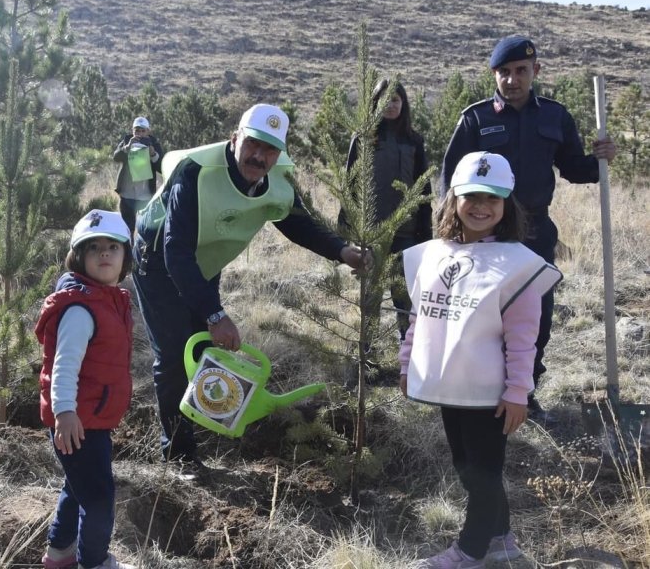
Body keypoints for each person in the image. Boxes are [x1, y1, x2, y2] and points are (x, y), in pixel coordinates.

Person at [133, 103, 369, 469]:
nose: (259, 156)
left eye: (270, 149)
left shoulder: (279, 179)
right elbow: (176, 252)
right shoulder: (196, 172)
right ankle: (178, 455)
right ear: (235, 138)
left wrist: (342, 251)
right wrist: (214, 313)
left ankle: (206, 415)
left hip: (207, 259)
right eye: (253, 144)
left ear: (280, 153)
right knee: (176, 355)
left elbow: (297, 223)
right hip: (159, 260)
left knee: (206, 350)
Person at [441, 35, 616, 418]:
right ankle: (478, 387)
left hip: (535, 231)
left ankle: (524, 391)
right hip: (484, 232)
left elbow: (574, 169)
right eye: (504, 72)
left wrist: (600, 159)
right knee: (482, 312)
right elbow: (450, 181)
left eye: (521, 71)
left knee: (535, 315)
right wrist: (451, 230)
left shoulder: (555, 117)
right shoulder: (476, 118)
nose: (512, 79)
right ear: (494, 75)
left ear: (535, 71)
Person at [401, 152, 562, 568]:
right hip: (449, 384)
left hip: (489, 392)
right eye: (471, 195)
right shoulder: (435, 255)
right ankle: (501, 539)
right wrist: (407, 364)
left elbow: (524, 339)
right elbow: (421, 317)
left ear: (507, 203)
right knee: (465, 465)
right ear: (453, 198)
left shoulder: (516, 265)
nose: (480, 205)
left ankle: (470, 552)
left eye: (492, 197)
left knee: (483, 472)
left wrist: (517, 392)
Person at [34, 210, 137, 569]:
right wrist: (64, 412)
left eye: (112, 247)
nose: (104, 254)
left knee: (78, 486)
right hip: (77, 418)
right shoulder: (80, 307)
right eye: (94, 248)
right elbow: (64, 364)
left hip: (92, 415)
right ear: (79, 257)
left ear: (125, 256)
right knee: (98, 498)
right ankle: (94, 562)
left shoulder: (107, 298)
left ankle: (60, 553)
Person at [339, 79, 432, 342]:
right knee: (371, 297)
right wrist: (346, 227)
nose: (390, 105)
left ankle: (410, 350)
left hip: (407, 232)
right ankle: (367, 356)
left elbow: (423, 188)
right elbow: (350, 183)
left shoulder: (414, 141)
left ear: (403, 104)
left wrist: (426, 232)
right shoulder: (362, 138)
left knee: (405, 295)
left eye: (395, 99)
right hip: (372, 233)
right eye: (384, 99)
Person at [113, 117, 163, 234]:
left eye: (142, 131)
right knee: (127, 229)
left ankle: (143, 251)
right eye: (137, 131)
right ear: (132, 131)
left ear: (148, 131)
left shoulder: (154, 144)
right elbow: (116, 157)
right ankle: (128, 250)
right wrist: (127, 148)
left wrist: (153, 154)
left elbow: (161, 167)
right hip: (127, 194)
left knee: (146, 229)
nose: (139, 134)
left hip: (145, 196)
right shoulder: (127, 141)